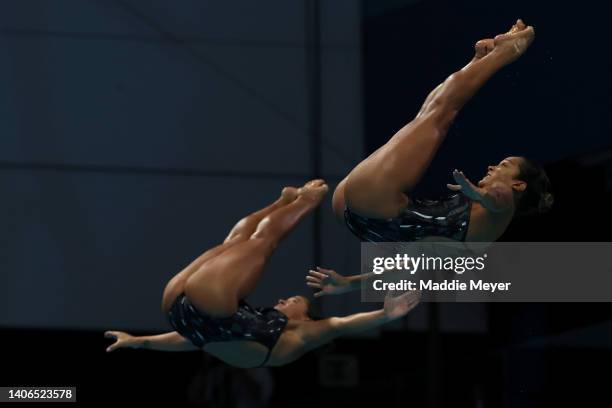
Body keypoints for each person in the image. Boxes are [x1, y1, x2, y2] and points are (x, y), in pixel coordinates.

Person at [105, 180, 421, 368]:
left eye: (296, 300)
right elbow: (191, 340)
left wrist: (386, 314)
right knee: (237, 243)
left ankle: (305, 203)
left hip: (196, 311)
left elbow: (339, 325)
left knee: (263, 243)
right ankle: (281, 203)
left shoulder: (299, 336)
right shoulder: (256, 323)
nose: (284, 299)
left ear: (308, 318)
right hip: (183, 312)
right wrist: (139, 342)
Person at [331, 20, 553, 243]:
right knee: (430, 116)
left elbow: (498, 197)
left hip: (375, 201)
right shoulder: (485, 232)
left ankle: (505, 52)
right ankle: (481, 60)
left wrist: (475, 192)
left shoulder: (502, 207)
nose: (492, 166)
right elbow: (413, 263)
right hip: (363, 222)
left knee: (439, 115)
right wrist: (350, 280)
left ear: (519, 185)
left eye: (504, 165)